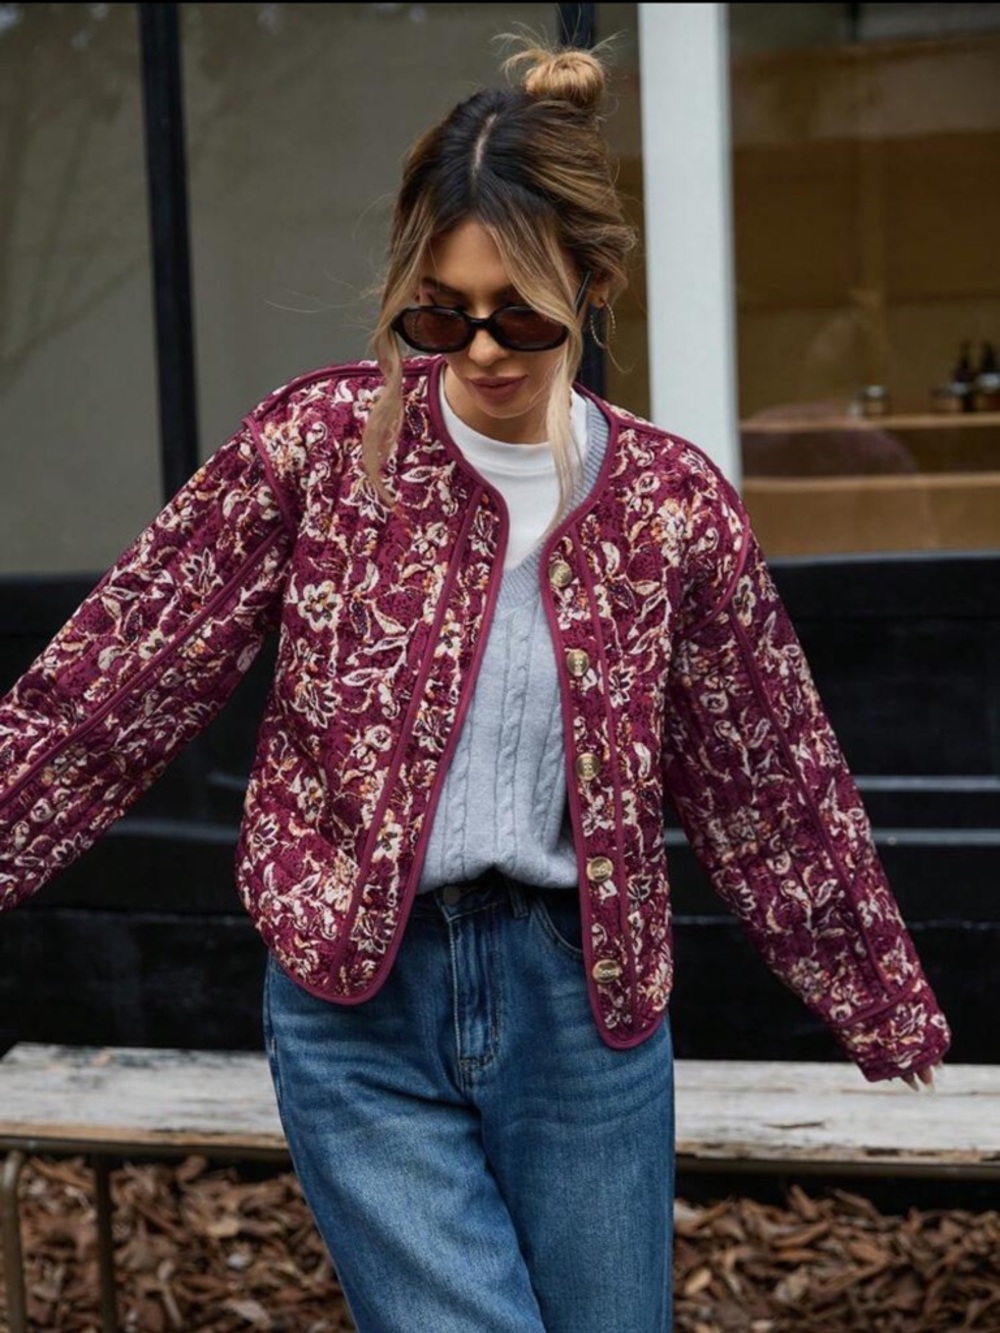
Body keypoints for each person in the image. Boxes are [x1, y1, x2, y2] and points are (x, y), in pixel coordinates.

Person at [0, 38, 949, 1333]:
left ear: (596, 285)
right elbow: (115, 683)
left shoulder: (671, 511)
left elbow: (769, 776)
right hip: (355, 1004)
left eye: (521, 312)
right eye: (440, 313)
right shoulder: (317, 455)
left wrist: (876, 994)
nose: (481, 348)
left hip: (582, 1009)